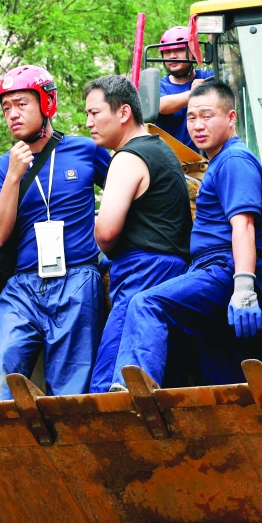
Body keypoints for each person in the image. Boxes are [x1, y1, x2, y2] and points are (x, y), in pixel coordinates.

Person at [109, 81, 262, 390]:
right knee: (223, 379)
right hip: (213, 269)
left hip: (225, 269)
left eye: (207, 116)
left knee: (145, 304)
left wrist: (244, 286)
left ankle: (135, 391)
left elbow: (244, 226)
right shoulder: (219, 161)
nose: (197, 125)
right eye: (191, 117)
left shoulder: (235, 161)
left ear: (231, 117)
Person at [0, 65, 111, 400]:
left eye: (21, 104)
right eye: (6, 107)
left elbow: (126, 190)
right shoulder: (2, 166)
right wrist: (13, 176)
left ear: (47, 103)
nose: (12, 114)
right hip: (23, 284)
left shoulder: (86, 149)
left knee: (70, 388)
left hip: (77, 278)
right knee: (1, 373)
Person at [84, 75, 192, 393]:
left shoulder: (129, 156)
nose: (88, 122)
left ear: (123, 113)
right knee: (161, 386)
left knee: (112, 387)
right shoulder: (162, 151)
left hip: (143, 272)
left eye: (95, 112)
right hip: (172, 270)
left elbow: (106, 230)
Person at [156, 26, 214, 153]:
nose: (172, 56)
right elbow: (162, 105)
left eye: (179, 50)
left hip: (208, 160)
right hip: (173, 163)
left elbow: (235, 75)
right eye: (167, 52)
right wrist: (193, 93)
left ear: (194, 52)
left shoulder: (207, 77)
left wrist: (218, 40)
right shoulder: (160, 85)